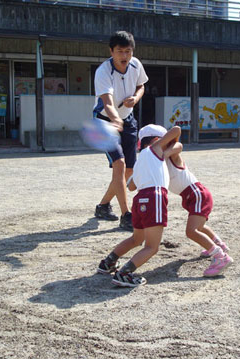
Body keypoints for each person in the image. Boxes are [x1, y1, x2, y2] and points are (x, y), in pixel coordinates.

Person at [97, 125, 181, 287]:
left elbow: (132, 186)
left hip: (140, 199)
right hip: (155, 197)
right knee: (152, 247)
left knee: (137, 238)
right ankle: (124, 273)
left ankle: (108, 263)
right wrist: (169, 147)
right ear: (157, 140)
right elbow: (176, 130)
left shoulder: (141, 159)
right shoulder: (155, 150)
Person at [93, 30, 148, 231]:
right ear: (111, 51)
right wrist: (115, 119)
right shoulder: (103, 72)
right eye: (120, 51)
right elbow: (107, 103)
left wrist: (136, 97)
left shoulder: (136, 65)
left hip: (128, 119)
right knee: (120, 164)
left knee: (129, 170)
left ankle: (103, 206)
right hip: (104, 122)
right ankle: (126, 215)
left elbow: (141, 86)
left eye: (128, 51)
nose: (124, 56)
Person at [163, 140, 233, 276]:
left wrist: (164, 152)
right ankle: (220, 245)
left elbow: (179, 145)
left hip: (197, 194)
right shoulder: (158, 162)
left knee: (191, 231)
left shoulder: (171, 156)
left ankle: (221, 258)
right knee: (199, 227)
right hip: (191, 196)